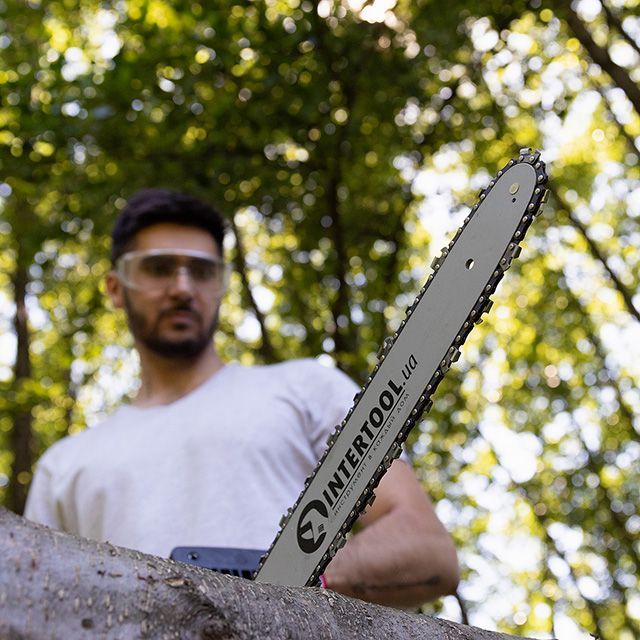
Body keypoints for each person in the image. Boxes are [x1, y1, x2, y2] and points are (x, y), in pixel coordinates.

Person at [25, 189, 459, 608]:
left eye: (201, 271)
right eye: (158, 268)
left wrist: (287, 579)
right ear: (116, 288)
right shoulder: (63, 466)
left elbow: (427, 549)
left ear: (221, 285)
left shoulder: (306, 389)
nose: (182, 288)